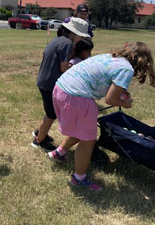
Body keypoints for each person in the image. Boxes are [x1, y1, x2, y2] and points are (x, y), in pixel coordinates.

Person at [48, 42, 155, 191]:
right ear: (142, 62)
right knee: (88, 139)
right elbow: (110, 100)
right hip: (77, 98)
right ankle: (79, 178)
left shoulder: (110, 57)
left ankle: (59, 153)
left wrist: (121, 94)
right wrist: (125, 104)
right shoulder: (126, 69)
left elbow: (102, 81)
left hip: (61, 88)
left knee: (82, 130)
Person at [31, 17, 91, 152]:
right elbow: (63, 68)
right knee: (51, 115)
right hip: (50, 83)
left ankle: (41, 133)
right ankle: (38, 140)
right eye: (80, 35)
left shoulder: (57, 40)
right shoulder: (67, 44)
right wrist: (78, 69)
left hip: (44, 80)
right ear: (73, 33)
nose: (81, 38)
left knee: (51, 113)